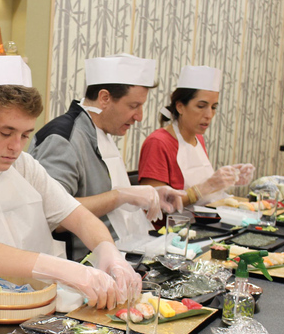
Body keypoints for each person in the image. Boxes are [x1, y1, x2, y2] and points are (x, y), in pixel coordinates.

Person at [0, 56, 141, 311]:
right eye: (5, 133)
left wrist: (108, 253)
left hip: (33, 308)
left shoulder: (24, 165)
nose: (15, 146)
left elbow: (77, 216)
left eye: (25, 135)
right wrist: (62, 269)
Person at [30, 54, 185, 258]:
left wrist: (147, 195)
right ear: (104, 98)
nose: (139, 116)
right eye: (133, 106)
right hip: (82, 265)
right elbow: (54, 216)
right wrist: (122, 196)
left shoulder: (100, 132)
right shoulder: (63, 138)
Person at [138, 65, 254, 206]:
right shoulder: (158, 142)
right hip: (173, 226)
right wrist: (204, 188)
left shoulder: (197, 138)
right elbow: (155, 204)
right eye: (201, 106)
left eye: (213, 107)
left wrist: (228, 179)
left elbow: (204, 188)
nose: (209, 115)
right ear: (180, 106)